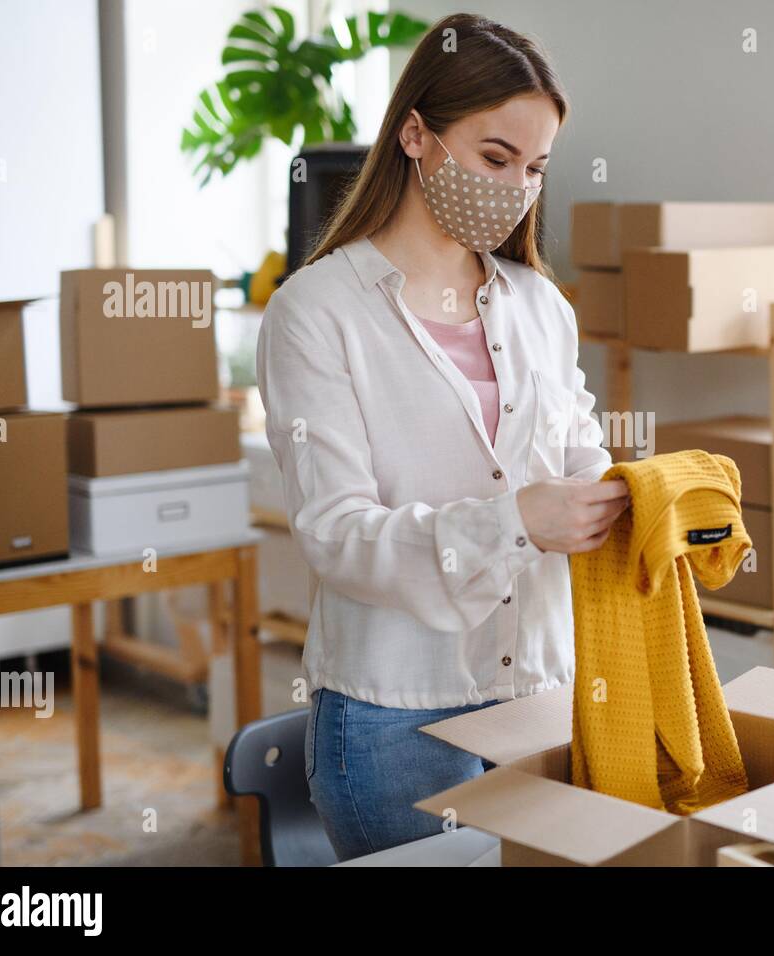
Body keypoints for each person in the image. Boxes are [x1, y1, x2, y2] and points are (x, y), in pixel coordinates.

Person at [255, 12, 628, 861]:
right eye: (495, 159)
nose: (517, 188)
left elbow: (581, 462)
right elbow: (336, 535)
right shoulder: (316, 313)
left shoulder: (541, 307)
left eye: (535, 168)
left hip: (541, 694)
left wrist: (636, 500)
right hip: (392, 718)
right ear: (415, 134)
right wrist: (515, 522)